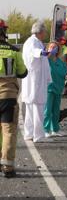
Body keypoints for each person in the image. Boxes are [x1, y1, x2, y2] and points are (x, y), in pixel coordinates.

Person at [0, 19, 28, 178]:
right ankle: (8, 167)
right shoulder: (13, 50)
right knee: (9, 131)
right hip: (8, 97)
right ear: (4, 32)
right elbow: (23, 73)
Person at [21, 21, 52, 143]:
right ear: (40, 32)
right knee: (38, 108)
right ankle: (38, 136)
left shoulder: (35, 41)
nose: (45, 33)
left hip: (34, 80)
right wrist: (42, 52)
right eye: (44, 31)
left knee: (30, 109)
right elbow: (33, 52)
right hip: (35, 81)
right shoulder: (32, 42)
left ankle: (29, 134)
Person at [44, 42, 67, 137]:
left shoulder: (60, 62)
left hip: (58, 88)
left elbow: (64, 72)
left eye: (55, 47)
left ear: (58, 50)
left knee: (56, 110)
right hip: (48, 88)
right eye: (51, 47)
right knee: (47, 110)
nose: (53, 48)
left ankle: (55, 129)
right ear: (48, 48)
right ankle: (45, 129)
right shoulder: (45, 61)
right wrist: (47, 55)